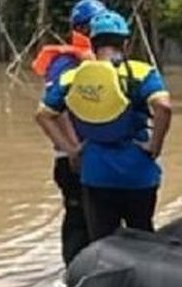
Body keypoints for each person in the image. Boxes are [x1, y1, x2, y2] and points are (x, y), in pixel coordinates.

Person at [36, 11, 173, 245]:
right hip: (137, 170)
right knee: (143, 235)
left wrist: (71, 149)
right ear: (126, 43)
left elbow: (43, 115)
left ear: (93, 42)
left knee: (102, 243)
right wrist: (155, 145)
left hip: (95, 171)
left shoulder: (72, 76)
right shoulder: (141, 72)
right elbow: (164, 107)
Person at [30, 0, 106, 265]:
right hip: (74, 154)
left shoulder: (101, 58)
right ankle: (74, 271)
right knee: (78, 216)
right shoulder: (66, 62)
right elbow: (54, 110)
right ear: (82, 28)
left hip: (97, 152)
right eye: (96, 24)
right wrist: (74, 149)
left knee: (100, 215)